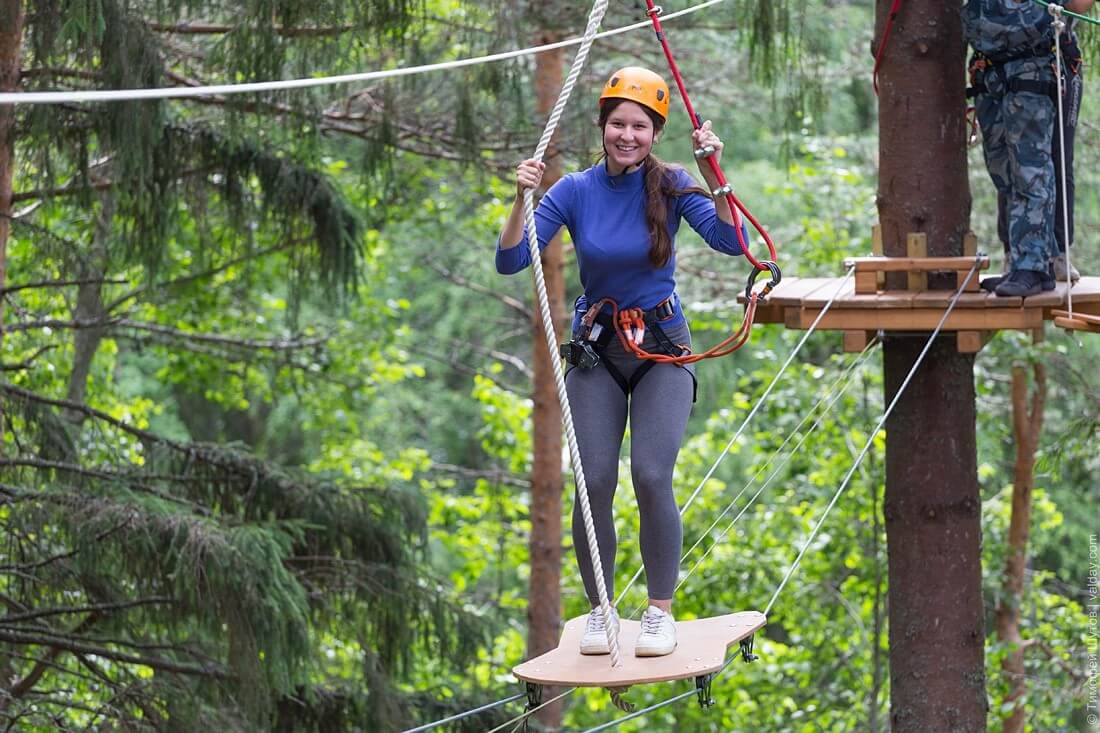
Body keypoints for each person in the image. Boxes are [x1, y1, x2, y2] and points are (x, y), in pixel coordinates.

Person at [495, 67, 748, 657]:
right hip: (598, 348)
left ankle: (659, 610)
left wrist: (714, 170)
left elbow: (733, 242)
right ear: (602, 128)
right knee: (594, 482)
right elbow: (512, 260)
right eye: (617, 124)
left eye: (638, 125)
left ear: (655, 133)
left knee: (652, 475)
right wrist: (519, 198)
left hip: (660, 345)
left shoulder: (674, 183)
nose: (626, 134)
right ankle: (600, 608)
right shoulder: (575, 191)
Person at [965, 0, 1094, 297]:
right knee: (1002, 171)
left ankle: (1033, 266)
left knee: (1030, 170)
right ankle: (1023, 262)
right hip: (989, 68)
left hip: (1031, 66)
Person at [994, 6, 1087, 283]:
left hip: (1056, 59)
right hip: (1004, 64)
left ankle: (1058, 251)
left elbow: (1081, 4)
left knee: (1059, 158)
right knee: (1012, 162)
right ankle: (1014, 250)